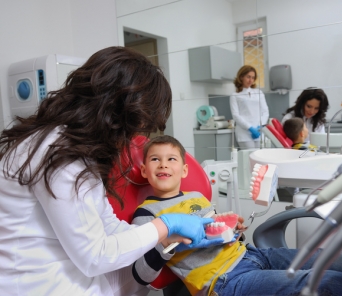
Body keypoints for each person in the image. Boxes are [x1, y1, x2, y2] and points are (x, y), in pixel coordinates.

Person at [0, 47, 214, 296]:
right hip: (39, 283)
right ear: (115, 113)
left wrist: (163, 235)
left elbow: (106, 223)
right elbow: (95, 256)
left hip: (69, 269)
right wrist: (166, 225)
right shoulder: (59, 156)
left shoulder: (73, 146)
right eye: (134, 127)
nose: (135, 137)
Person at [132, 135, 342, 296]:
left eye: (171, 159)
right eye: (155, 159)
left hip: (252, 256)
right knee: (330, 282)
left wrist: (233, 230)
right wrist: (168, 241)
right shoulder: (147, 214)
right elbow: (141, 276)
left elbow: (218, 235)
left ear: (184, 169)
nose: (163, 164)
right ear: (144, 170)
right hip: (225, 280)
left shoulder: (196, 196)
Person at [230, 65, 269, 149]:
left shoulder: (259, 92)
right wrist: (250, 128)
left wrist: (259, 126)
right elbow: (236, 115)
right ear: (241, 77)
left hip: (259, 131)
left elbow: (265, 111)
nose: (251, 80)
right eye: (248, 77)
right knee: (249, 159)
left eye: (253, 77)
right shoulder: (235, 95)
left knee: (260, 158)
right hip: (244, 133)